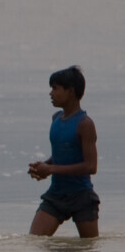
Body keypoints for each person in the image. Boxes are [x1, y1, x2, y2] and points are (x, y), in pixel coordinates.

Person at [29, 65, 99, 238]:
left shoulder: (85, 124)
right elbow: (63, 153)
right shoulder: (56, 119)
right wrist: (45, 165)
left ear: (71, 91)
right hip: (56, 195)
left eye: (55, 88)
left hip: (81, 196)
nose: (51, 93)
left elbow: (91, 166)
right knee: (35, 243)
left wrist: (51, 169)